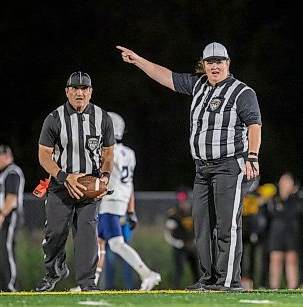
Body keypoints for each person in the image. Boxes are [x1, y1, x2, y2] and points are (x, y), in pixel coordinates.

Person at [117, 42, 262, 292]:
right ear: (203, 65)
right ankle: (208, 279)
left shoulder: (241, 92)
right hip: (202, 168)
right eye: (210, 62)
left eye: (219, 61)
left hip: (230, 165)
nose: (215, 66)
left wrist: (252, 156)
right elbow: (167, 77)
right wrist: (139, 60)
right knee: (202, 225)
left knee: (227, 223)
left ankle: (229, 280)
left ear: (228, 63)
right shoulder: (199, 85)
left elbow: (254, 125)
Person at [36, 71, 115, 292]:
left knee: (87, 234)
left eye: (84, 89)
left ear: (90, 92)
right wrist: (64, 176)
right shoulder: (54, 118)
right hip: (61, 185)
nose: (79, 93)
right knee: (55, 233)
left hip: (89, 187)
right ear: (67, 92)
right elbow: (43, 154)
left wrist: (105, 179)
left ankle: (87, 282)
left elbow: (108, 154)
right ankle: (54, 272)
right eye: (75, 89)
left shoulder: (103, 118)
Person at [73, 111, 161, 292]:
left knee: (115, 244)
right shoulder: (129, 153)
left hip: (109, 200)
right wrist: (130, 211)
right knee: (99, 242)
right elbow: (130, 184)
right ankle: (92, 283)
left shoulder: (107, 152)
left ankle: (147, 273)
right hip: (119, 200)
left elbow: (97, 178)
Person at [0, 144, 25, 292]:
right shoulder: (5, 173)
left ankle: (10, 287)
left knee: (6, 250)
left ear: (6, 156)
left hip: (8, 216)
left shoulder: (12, 172)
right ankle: (1, 286)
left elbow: (12, 197)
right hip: (0, 216)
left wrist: (1, 215)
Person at [265, 172, 303, 289]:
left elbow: (296, 214)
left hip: (291, 233)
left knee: (291, 260)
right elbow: (271, 214)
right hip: (276, 233)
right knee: (276, 259)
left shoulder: (296, 200)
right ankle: (274, 287)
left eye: (288, 182)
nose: (286, 184)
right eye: (284, 181)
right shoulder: (273, 199)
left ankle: (292, 287)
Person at [164, 189, 200, 289]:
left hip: (192, 246)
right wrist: (177, 243)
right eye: (181, 202)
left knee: (196, 270)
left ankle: (199, 288)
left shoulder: (194, 212)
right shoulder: (174, 214)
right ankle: (176, 289)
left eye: (184, 201)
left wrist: (197, 241)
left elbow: (200, 229)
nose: (183, 204)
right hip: (180, 247)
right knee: (179, 271)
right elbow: (168, 233)